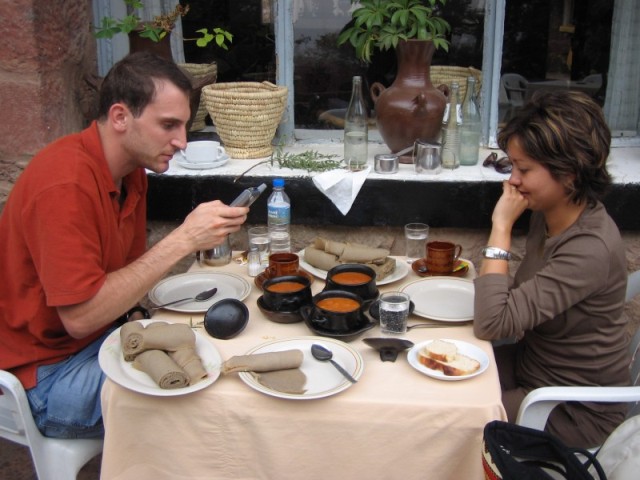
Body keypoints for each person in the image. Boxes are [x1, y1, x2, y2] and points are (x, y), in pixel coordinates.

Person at [0, 52, 248, 439]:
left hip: (100, 341)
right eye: (168, 125)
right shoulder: (64, 184)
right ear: (120, 117)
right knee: (207, 399)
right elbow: (80, 317)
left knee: (222, 357)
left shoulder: (131, 172)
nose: (182, 142)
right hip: (46, 379)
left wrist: (136, 317)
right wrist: (183, 239)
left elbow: (123, 279)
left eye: (183, 125)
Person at [473, 90, 630, 449]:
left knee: (456, 418)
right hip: (533, 366)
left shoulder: (590, 248)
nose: (512, 180)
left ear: (570, 174)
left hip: (570, 407)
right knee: (442, 372)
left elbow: (492, 323)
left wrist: (501, 227)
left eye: (524, 169)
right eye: (511, 166)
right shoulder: (548, 214)